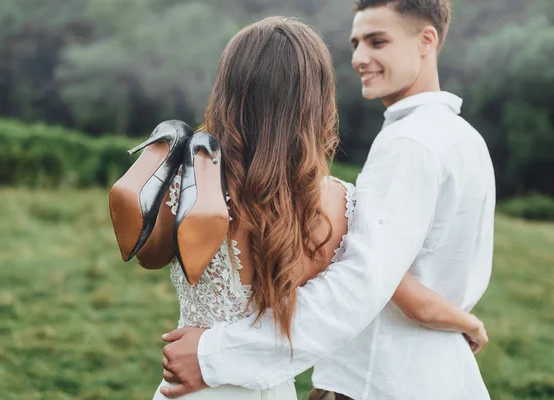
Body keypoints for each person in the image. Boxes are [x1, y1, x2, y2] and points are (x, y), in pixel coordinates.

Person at [159, 1, 496, 400]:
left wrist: (217, 355)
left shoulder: (408, 144)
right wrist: (461, 319)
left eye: (377, 41)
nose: (358, 58)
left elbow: (365, 280)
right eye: (355, 43)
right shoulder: (464, 138)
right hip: (441, 370)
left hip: (379, 377)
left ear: (427, 40)